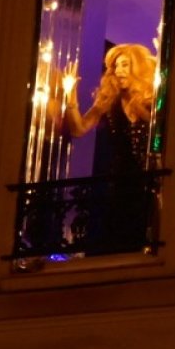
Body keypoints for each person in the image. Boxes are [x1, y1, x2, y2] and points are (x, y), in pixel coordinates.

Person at [57, 43, 159, 252]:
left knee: (145, 227)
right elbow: (79, 128)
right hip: (119, 177)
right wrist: (70, 94)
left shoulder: (151, 100)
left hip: (148, 176)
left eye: (124, 65)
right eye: (115, 66)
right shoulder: (108, 101)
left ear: (137, 67)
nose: (118, 70)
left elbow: (157, 123)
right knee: (117, 230)